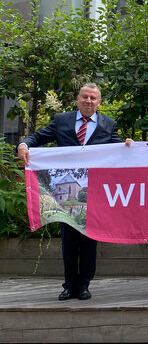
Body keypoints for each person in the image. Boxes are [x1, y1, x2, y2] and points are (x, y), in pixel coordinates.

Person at [17, 83, 123, 301]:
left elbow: (119, 151)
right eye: (85, 97)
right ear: (78, 99)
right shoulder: (61, 120)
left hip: (94, 192)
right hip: (65, 191)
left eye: (93, 98)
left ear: (99, 102)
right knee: (69, 241)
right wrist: (24, 145)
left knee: (89, 240)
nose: (89, 101)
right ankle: (68, 285)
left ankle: (84, 285)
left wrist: (129, 145)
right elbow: (37, 138)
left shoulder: (108, 124)